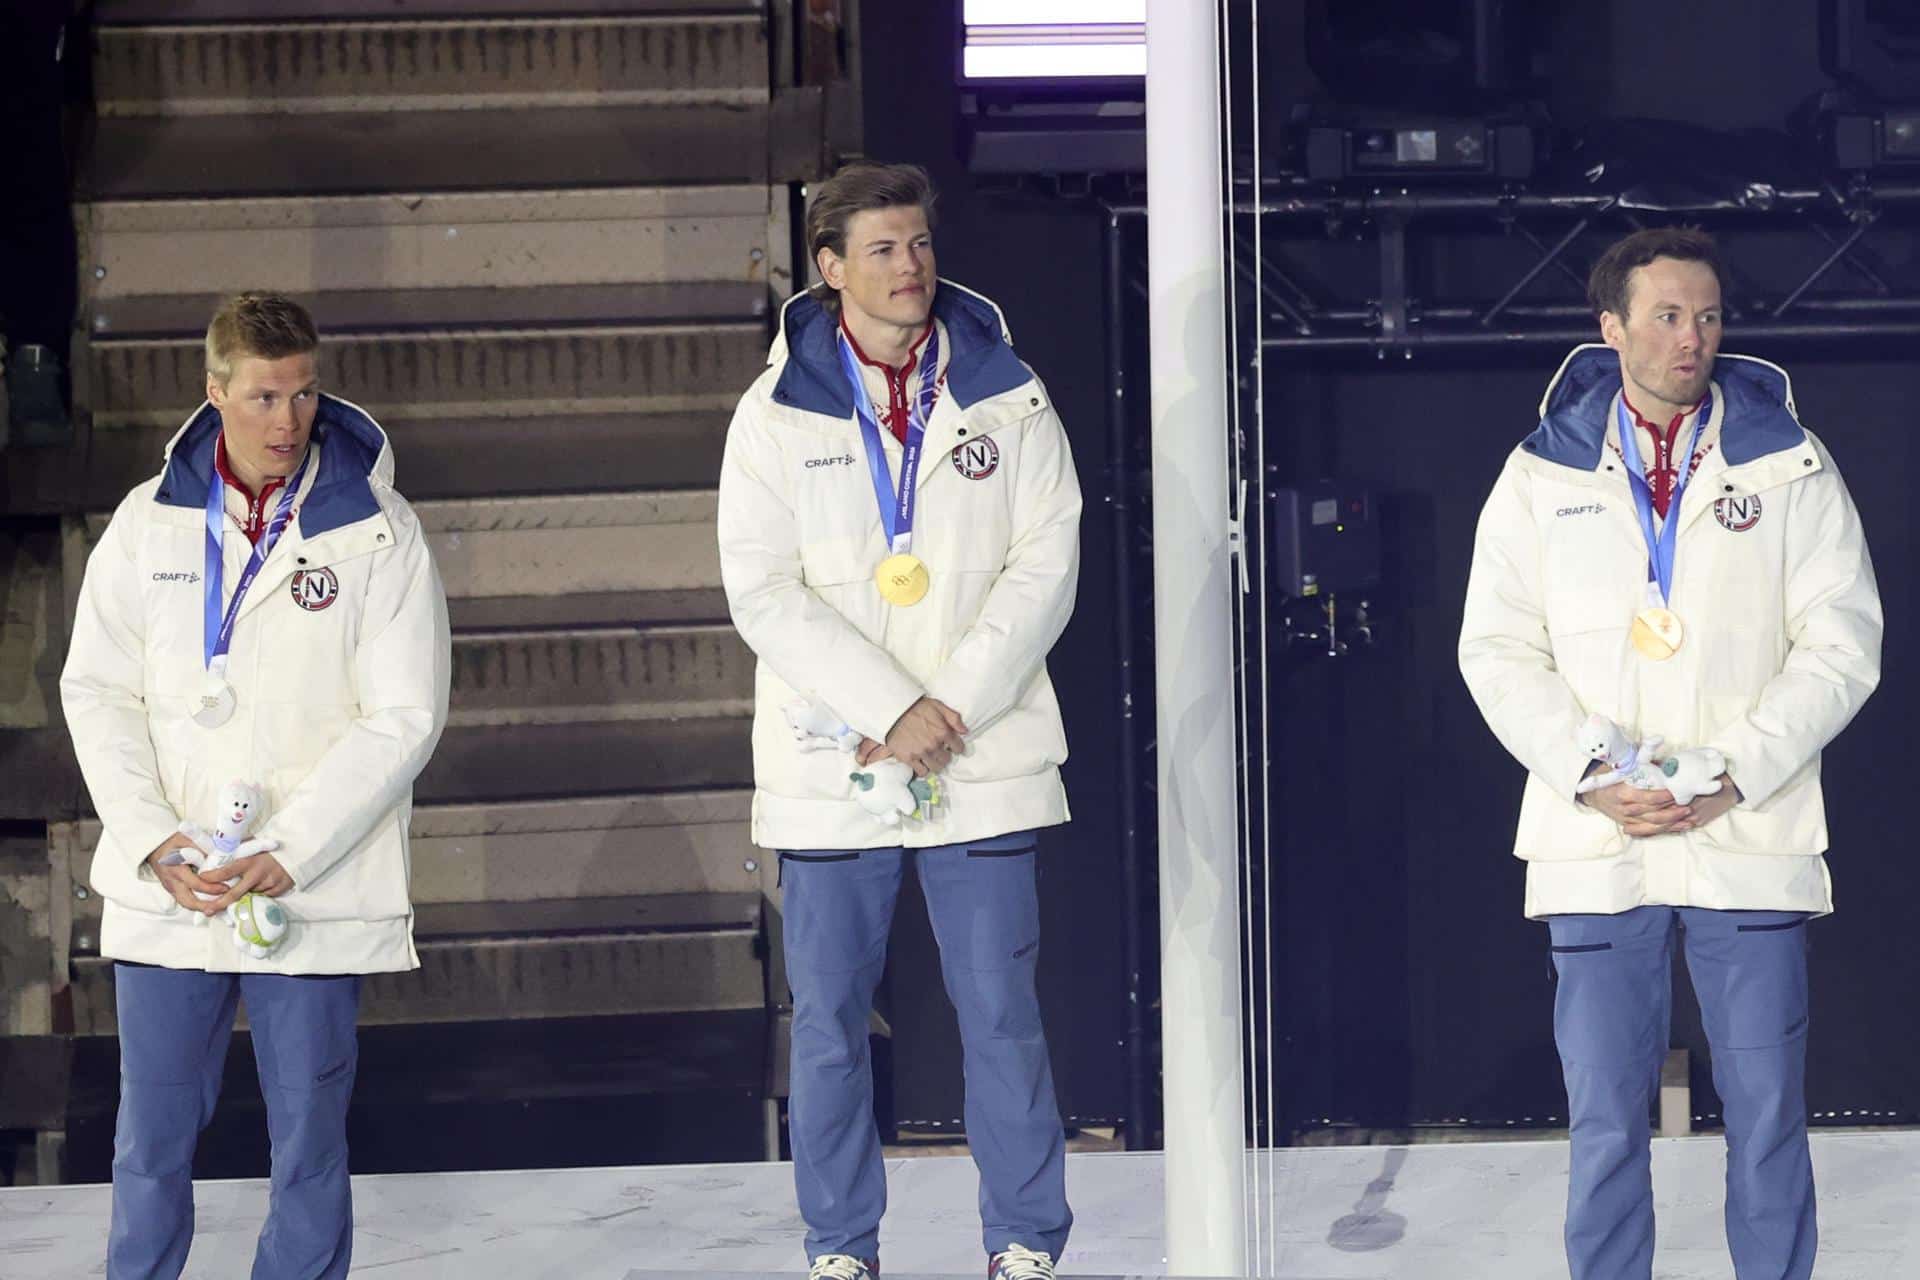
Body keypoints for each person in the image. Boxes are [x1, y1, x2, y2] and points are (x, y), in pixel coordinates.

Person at [1459, 227, 1882, 1280]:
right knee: (1605, 1124)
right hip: (1598, 838)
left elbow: (1842, 640)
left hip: (1745, 825)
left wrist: (1732, 765)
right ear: (1610, 328)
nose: (1690, 337)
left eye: (1706, 316)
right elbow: (1496, 647)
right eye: (1665, 314)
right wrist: (1595, 770)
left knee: (1770, 1116)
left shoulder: (1792, 463)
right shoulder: (1535, 476)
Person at [717, 162, 1081, 1280]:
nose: (910, 266)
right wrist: (889, 707)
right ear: (829, 270)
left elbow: (1047, 563)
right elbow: (760, 589)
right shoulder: (772, 416)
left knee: (1001, 1012)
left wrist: (946, 705)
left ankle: (1024, 1241)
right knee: (828, 1023)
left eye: (918, 243)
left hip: (982, 747)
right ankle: (839, 1246)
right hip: (837, 759)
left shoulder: (1007, 392)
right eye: (881, 249)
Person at [61, 292, 451, 1279]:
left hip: (310, 879)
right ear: (215, 392)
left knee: (309, 1142)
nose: (287, 420)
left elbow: (406, 712)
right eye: (265, 395)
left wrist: (295, 846)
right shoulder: (147, 525)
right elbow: (95, 686)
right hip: (177, 881)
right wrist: (153, 836)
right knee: (149, 1143)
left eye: (304, 393)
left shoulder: (378, 528)